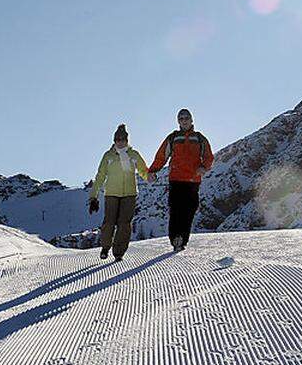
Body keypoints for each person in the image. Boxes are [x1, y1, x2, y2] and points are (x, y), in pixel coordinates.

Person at [148, 108, 213, 251]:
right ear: (178, 121)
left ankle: (183, 239)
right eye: (181, 118)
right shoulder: (173, 137)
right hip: (176, 179)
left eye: (186, 118)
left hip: (193, 180)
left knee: (189, 210)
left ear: (191, 120)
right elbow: (161, 156)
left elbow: (209, 156)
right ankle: (176, 239)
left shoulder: (200, 138)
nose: (184, 121)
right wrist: (152, 170)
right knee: (176, 210)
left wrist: (204, 167)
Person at [89, 124, 148, 261]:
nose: (120, 142)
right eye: (118, 139)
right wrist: (93, 196)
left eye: (123, 139)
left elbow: (143, 171)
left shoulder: (133, 155)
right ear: (114, 141)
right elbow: (100, 176)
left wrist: (149, 176)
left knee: (124, 224)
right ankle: (105, 247)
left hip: (129, 194)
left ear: (127, 140)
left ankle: (118, 252)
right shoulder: (108, 156)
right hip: (112, 194)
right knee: (109, 222)